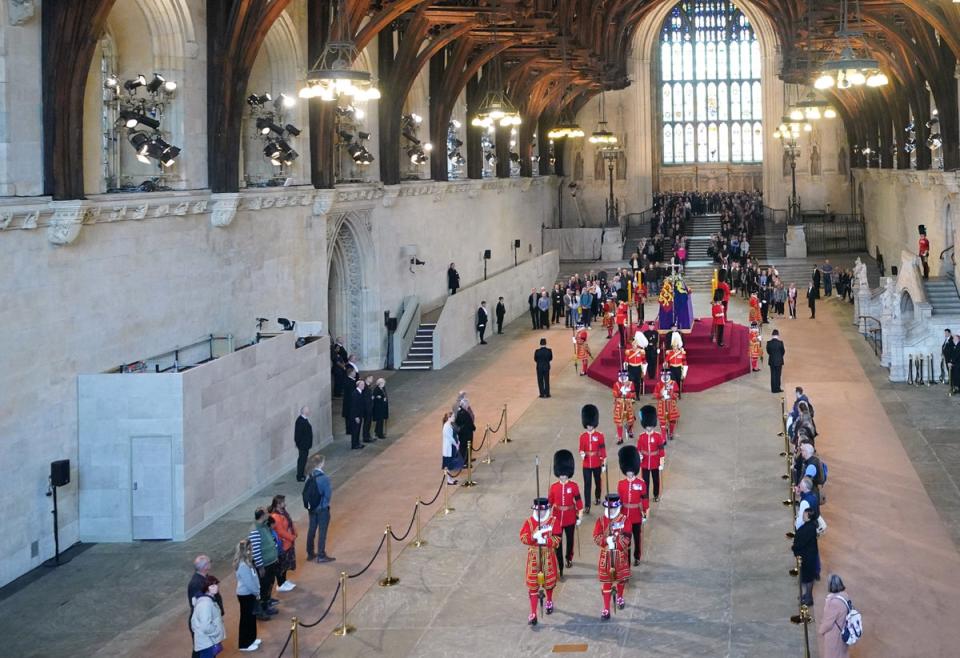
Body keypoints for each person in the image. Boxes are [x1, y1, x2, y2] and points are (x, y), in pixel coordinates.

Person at [520, 497, 561, 625]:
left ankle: (549, 600)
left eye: (543, 511)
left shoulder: (554, 521)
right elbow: (523, 537)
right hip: (533, 556)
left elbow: (557, 540)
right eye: (538, 511)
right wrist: (533, 537)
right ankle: (533, 612)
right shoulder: (529, 522)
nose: (540, 513)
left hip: (548, 554)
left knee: (549, 582)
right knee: (533, 585)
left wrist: (545, 541)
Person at [593, 493, 632, 620]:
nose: (611, 511)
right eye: (610, 509)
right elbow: (596, 537)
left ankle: (620, 597)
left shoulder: (625, 520)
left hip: (620, 555)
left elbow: (627, 538)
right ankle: (606, 608)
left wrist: (615, 542)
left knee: (621, 580)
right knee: (606, 583)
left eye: (614, 509)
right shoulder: (601, 520)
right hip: (606, 556)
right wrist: (606, 540)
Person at [548, 449, 583, 575]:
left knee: (570, 540)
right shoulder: (554, 487)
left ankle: (569, 557)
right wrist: (546, 515)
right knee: (557, 542)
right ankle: (560, 564)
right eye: (561, 474)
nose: (563, 476)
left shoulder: (573, 486)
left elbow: (578, 502)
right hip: (557, 517)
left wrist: (580, 515)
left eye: (565, 474)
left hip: (570, 517)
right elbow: (550, 502)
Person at [617, 446, 648, 567]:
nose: (629, 474)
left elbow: (644, 498)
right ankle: (627, 558)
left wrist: (645, 512)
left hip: (636, 515)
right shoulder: (621, 484)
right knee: (626, 539)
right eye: (627, 472)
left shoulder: (641, 483)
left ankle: (637, 556)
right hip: (624, 515)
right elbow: (619, 500)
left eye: (631, 472)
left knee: (637, 537)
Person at [188, 555, 224, 658]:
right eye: (210, 562)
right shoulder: (196, 583)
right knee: (203, 651)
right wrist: (216, 630)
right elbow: (197, 605)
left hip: (208, 621)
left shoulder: (204, 578)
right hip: (204, 625)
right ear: (205, 566)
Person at [302, 454, 335, 563]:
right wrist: (324, 503)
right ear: (320, 463)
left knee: (312, 530)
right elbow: (328, 494)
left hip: (312, 508)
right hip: (322, 508)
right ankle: (321, 555)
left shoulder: (309, 476)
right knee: (322, 532)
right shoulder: (323, 478)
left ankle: (310, 553)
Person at [248, 509, 280, 616]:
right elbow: (256, 550)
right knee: (263, 587)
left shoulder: (264, 525)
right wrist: (260, 566)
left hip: (271, 562)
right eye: (266, 513)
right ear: (262, 515)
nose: (269, 514)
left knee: (269, 584)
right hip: (264, 565)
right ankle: (262, 609)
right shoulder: (255, 530)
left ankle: (267, 604)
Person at [234, 539, 264, 649]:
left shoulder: (248, 562)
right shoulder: (242, 565)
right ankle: (244, 643)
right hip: (246, 594)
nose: (252, 551)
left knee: (251, 617)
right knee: (246, 618)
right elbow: (249, 583)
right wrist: (257, 592)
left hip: (250, 593)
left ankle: (251, 638)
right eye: (250, 549)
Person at [578, 404, 606, 513]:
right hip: (586, 464)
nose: (589, 427)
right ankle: (587, 505)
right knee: (587, 485)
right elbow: (581, 448)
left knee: (597, 482)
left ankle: (598, 496)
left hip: (596, 462)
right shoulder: (582, 436)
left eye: (591, 425)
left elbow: (603, 450)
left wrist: (603, 462)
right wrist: (582, 454)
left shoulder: (599, 436)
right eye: (588, 425)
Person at [636, 405, 666, 502]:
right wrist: (639, 456)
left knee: (656, 480)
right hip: (644, 462)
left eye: (650, 426)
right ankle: (646, 496)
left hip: (655, 462)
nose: (648, 428)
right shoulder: (642, 436)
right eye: (647, 426)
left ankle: (656, 494)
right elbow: (638, 449)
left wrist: (661, 463)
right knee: (645, 481)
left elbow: (661, 451)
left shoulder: (658, 436)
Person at [791, 506, 820, 607]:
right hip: (808, 555)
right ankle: (807, 595)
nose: (802, 515)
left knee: (808, 579)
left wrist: (794, 548)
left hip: (808, 557)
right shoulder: (810, 526)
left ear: (808, 516)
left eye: (804, 514)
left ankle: (809, 598)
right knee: (808, 578)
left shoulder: (808, 529)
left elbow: (801, 543)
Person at [819, 575, 853, 658]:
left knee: (833, 654)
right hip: (843, 630)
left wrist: (821, 631)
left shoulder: (833, 602)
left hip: (834, 635)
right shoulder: (845, 596)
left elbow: (828, 623)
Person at [268, 495, 297, 592]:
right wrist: (291, 537)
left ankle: (284, 581)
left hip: (288, 542)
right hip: (283, 544)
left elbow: (290, 523)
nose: (285, 503)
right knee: (281, 566)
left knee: (286, 565)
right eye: (283, 502)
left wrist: (294, 532)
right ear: (278, 505)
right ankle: (280, 584)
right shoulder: (275, 516)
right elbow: (280, 532)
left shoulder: (283, 512)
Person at [653, 369, 680, 439]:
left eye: (666, 375)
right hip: (662, 405)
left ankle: (671, 433)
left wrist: (670, 395)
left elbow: (677, 394)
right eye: (663, 375)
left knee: (672, 420)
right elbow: (655, 395)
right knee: (662, 422)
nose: (665, 377)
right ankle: (663, 438)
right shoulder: (658, 384)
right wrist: (661, 395)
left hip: (671, 404)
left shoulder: (673, 383)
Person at [612, 370, 636, 445]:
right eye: (621, 376)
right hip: (619, 405)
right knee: (619, 422)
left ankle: (630, 430)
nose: (622, 378)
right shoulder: (616, 384)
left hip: (628, 404)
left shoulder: (631, 383)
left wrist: (628, 393)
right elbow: (615, 394)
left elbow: (634, 394)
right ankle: (620, 438)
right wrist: (621, 391)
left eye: (624, 376)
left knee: (631, 419)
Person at [625, 331, 648, 398]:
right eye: (633, 345)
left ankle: (637, 395)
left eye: (635, 345)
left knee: (637, 382)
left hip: (638, 368)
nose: (634, 346)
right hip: (631, 368)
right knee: (630, 382)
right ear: (632, 345)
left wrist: (643, 369)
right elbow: (626, 360)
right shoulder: (629, 352)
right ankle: (631, 395)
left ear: (637, 345)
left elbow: (643, 360)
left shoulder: (641, 352)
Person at [664, 332, 687, 399]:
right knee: (672, 381)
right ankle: (673, 394)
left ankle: (679, 393)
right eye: (673, 346)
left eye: (676, 346)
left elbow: (684, 362)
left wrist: (684, 372)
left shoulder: (681, 353)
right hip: (672, 368)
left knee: (679, 381)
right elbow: (666, 360)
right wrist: (665, 364)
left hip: (679, 368)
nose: (674, 348)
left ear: (678, 346)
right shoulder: (670, 353)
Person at [441, 412, 461, 485]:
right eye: (452, 417)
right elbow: (450, 438)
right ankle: (449, 480)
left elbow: (455, 434)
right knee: (448, 464)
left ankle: (451, 478)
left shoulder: (451, 425)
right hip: (449, 447)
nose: (454, 418)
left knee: (451, 463)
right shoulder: (446, 426)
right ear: (449, 418)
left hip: (452, 446)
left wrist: (458, 441)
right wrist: (456, 444)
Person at [294, 406, 313, 482]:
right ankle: (300, 476)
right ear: (305, 412)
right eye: (308, 411)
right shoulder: (300, 421)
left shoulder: (303, 420)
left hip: (305, 445)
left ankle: (303, 474)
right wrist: (299, 444)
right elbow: (298, 435)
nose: (309, 412)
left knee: (304, 460)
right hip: (303, 445)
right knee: (302, 460)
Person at [454, 398, 476, 463]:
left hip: (463, 433)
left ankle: (467, 459)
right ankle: (464, 461)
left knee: (465, 447)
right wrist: (473, 428)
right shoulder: (463, 412)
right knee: (464, 447)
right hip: (466, 433)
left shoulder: (459, 412)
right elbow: (469, 421)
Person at [766, 329, 785, 393]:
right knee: (778, 375)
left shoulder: (769, 343)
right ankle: (778, 388)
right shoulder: (780, 343)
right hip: (779, 361)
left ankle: (773, 389)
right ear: (778, 335)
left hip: (772, 361)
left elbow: (768, 352)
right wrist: (779, 356)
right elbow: (783, 352)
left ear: (772, 335)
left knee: (773, 375)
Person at [349, 378, 365, 449]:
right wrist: (356, 416)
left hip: (359, 414)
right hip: (356, 416)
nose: (363, 385)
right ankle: (354, 444)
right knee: (355, 430)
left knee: (358, 430)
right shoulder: (355, 394)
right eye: (362, 384)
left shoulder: (360, 392)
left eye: (363, 384)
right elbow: (353, 406)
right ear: (358, 385)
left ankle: (357, 443)